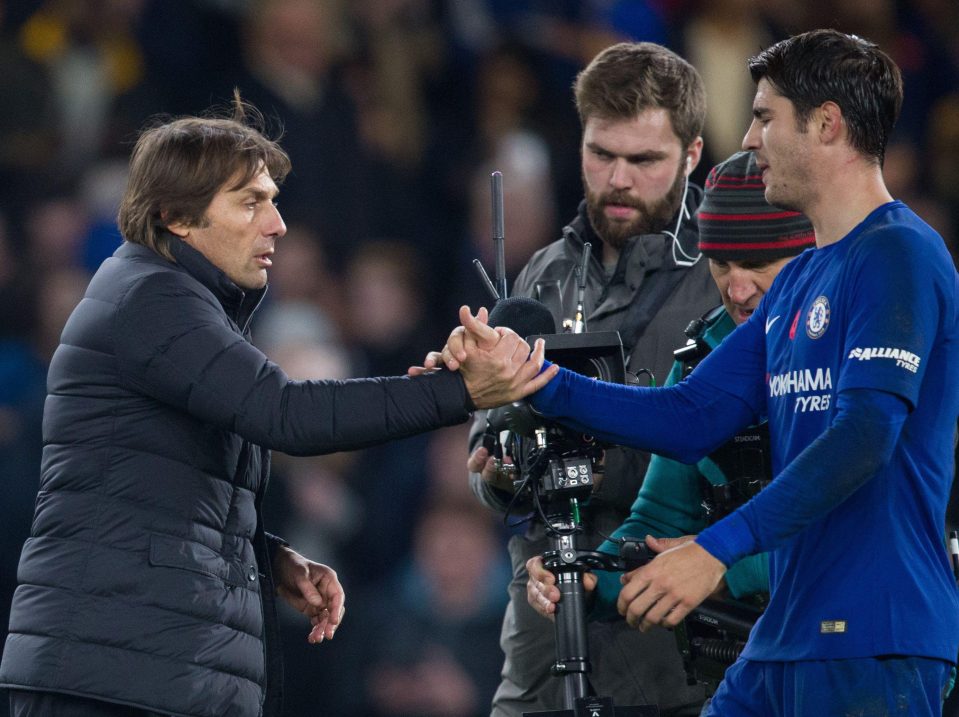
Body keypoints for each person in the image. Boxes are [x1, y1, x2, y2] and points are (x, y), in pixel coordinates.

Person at [451, 29, 959, 715]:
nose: (748, 138)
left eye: (763, 116)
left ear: (826, 124)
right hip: (782, 640)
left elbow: (865, 432)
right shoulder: (800, 279)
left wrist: (714, 549)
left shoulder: (898, 253)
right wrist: (531, 376)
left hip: (873, 635)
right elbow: (690, 416)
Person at [0, 95, 552, 717]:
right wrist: (461, 391)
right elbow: (286, 414)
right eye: (251, 202)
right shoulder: (150, 296)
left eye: (274, 200)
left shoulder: (169, 301)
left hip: (140, 665)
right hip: (111, 673)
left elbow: (152, 494)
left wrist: (262, 558)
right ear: (177, 218)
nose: (277, 224)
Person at [465, 41, 718, 716]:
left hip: (672, 651)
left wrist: (607, 466)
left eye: (644, 160)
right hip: (541, 634)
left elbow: (736, 450)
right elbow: (487, 437)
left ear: (691, 157)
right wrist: (492, 470)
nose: (618, 179)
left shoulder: (727, 278)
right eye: (600, 154)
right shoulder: (541, 271)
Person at [524, 150, 816, 695]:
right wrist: (590, 578)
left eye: (757, 264)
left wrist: (721, 563)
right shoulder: (701, 353)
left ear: (811, 250)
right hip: (745, 668)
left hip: (854, 649)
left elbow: (871, 529)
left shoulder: (853, 348)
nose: (736, 289)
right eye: (721, 263)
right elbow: (659, 517)